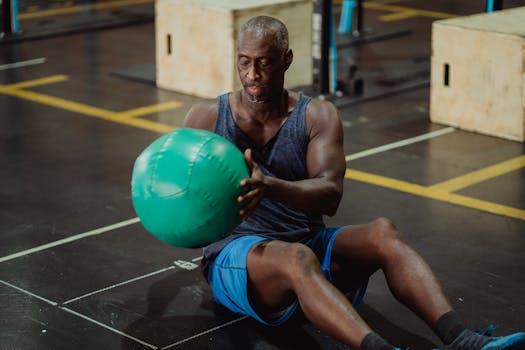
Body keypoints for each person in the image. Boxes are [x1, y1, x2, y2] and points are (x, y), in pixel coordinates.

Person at [182, 15, 525, 350]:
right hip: (239, 261)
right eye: (244, 62)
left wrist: (269, 185)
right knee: (298, 258)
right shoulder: (207, 117)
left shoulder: (316, 116)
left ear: (287, 60)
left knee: (382, 233)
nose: (252, 75)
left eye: (264, 63)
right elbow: (178, 195)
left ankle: (463, 339)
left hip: (304, 246)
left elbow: (330, 195)